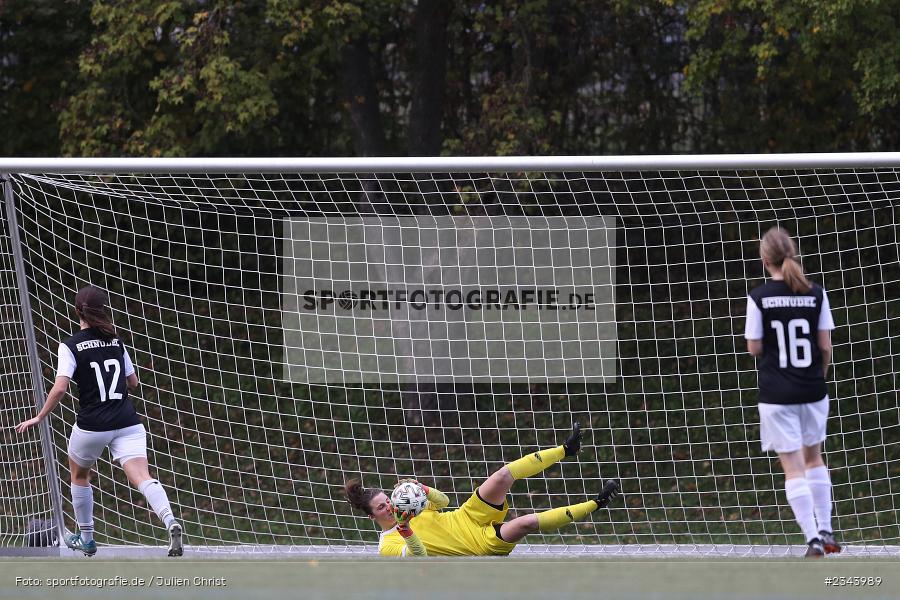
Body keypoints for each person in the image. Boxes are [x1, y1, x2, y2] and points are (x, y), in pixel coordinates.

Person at [16, 286, 183, 557]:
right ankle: (170, 520)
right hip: (128, 421)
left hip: (92, 425)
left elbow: (60, 388)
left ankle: (87, 539)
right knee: (142, 477)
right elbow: (134, 383)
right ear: (102, 310)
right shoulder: (116, 341)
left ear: (77, 311)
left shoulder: (70, 346)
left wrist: (39, 416)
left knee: (80, 475)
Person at [345, 423, 621, 556]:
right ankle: (597, 503)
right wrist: (405, 529)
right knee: (524, 524)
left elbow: (444, 501)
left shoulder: (408, 503)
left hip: (466, 516)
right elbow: (419, 557)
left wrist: (424, 489)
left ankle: (566, 449)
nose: (389, 507)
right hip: (475, 545)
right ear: (372, 517)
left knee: (501, 476)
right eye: (382, 507)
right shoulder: (388, 545)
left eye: (387, 501)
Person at [745, 227, 840, 558]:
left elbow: (754, 346)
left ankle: (813, 538)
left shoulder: (759, 297)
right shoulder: (817, 293)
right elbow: (825, 346)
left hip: (777, 395)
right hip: (813, 389)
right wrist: (818, 374)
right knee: (815, 458)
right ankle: (826, 529)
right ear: (793, 254)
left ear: (764, 259)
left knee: (793, 467)